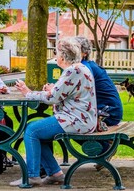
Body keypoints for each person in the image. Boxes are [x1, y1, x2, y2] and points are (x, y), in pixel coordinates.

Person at [10, 37, 97, 187]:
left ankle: (32, 176)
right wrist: (53, 90)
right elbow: (62, 92)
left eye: (56, 53)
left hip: (76, 120)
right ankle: (54, 173)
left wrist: (28, 92)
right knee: (34, 130)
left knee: (31, 130)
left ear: (62, 57)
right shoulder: (80, 68)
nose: (55, 57)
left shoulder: (72, 70)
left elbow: (52, 98)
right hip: (81, 118)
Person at [75, 36, 123, 170]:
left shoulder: (84, 68)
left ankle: (105, 150)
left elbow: (75, 92)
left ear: (84, 53)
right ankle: (104, 148)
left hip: (108, 112)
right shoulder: (87, 66)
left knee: (70, 125)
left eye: (74, 48)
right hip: (109, 110)